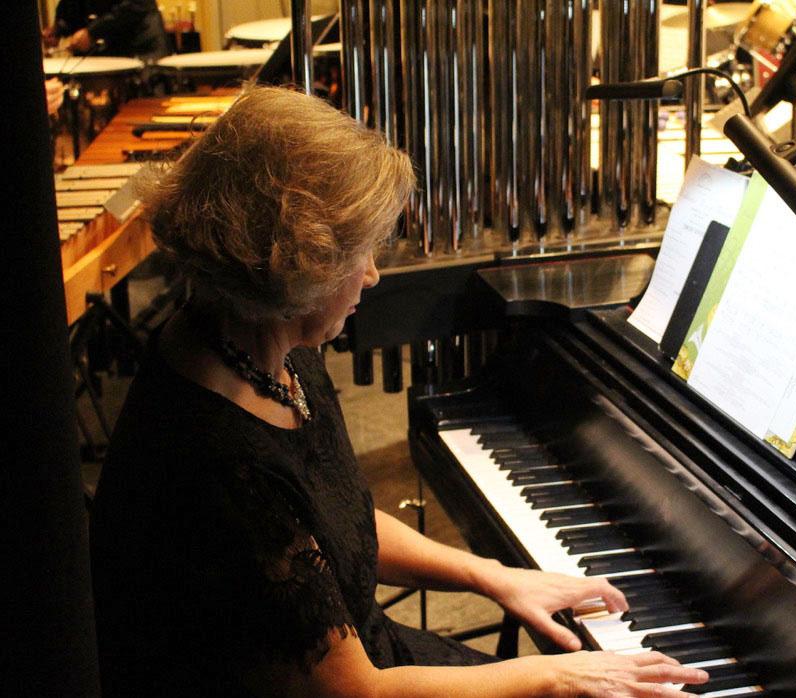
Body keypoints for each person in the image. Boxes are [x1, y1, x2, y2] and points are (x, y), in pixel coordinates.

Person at [89, 86, 709, 698]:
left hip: (371, 660)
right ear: (294, 269)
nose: (373, 274)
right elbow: (357, 692)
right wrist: (557, 676)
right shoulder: (218, 462)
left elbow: (337, 526)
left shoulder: (264, 343)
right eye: (356, 255)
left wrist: (494, 576)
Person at [43, 0, 167, 62]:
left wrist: (92, 32)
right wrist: (59, 29)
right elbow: (73, 5)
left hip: (140, 48)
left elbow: (137, 5)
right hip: (103, 53)